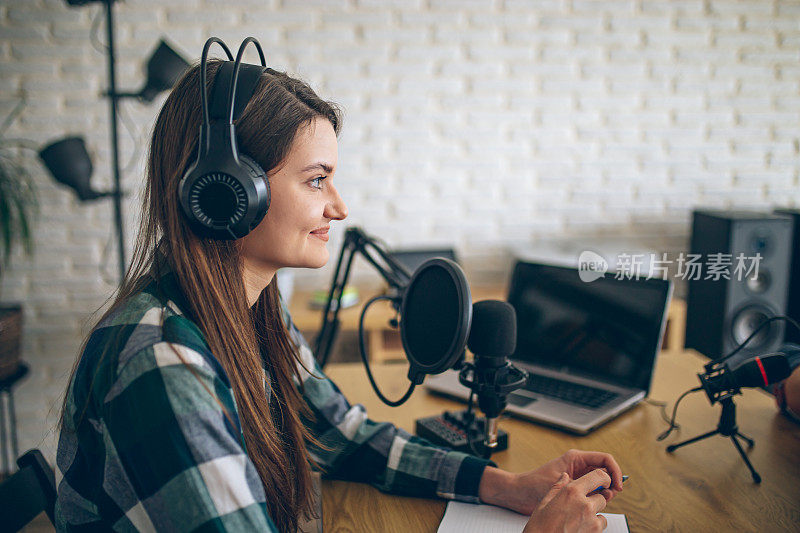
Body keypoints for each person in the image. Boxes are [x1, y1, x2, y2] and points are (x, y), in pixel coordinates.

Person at [55, 53, 624, 533]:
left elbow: (341, 434)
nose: (339, 207)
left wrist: (508, 486)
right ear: (230, 193)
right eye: (316, 180)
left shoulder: (253, 305)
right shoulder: (163, 363)